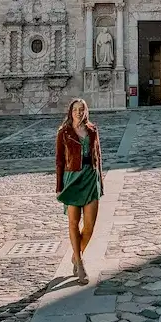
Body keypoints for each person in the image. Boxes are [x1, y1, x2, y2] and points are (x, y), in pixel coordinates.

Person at [55, 98, 104, 284]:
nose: (78, 112)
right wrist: (59, 187)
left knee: (90, 226)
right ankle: (80, 264)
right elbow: (59, 161)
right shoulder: (64, 133)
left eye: (81, 109)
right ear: (70, 112)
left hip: (90, 179)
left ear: (85, 111)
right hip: (71, 179)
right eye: (75, 109)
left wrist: (100, 182)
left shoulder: (92, 130)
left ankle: (76, 256)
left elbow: (98, 156)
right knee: (73, 223)